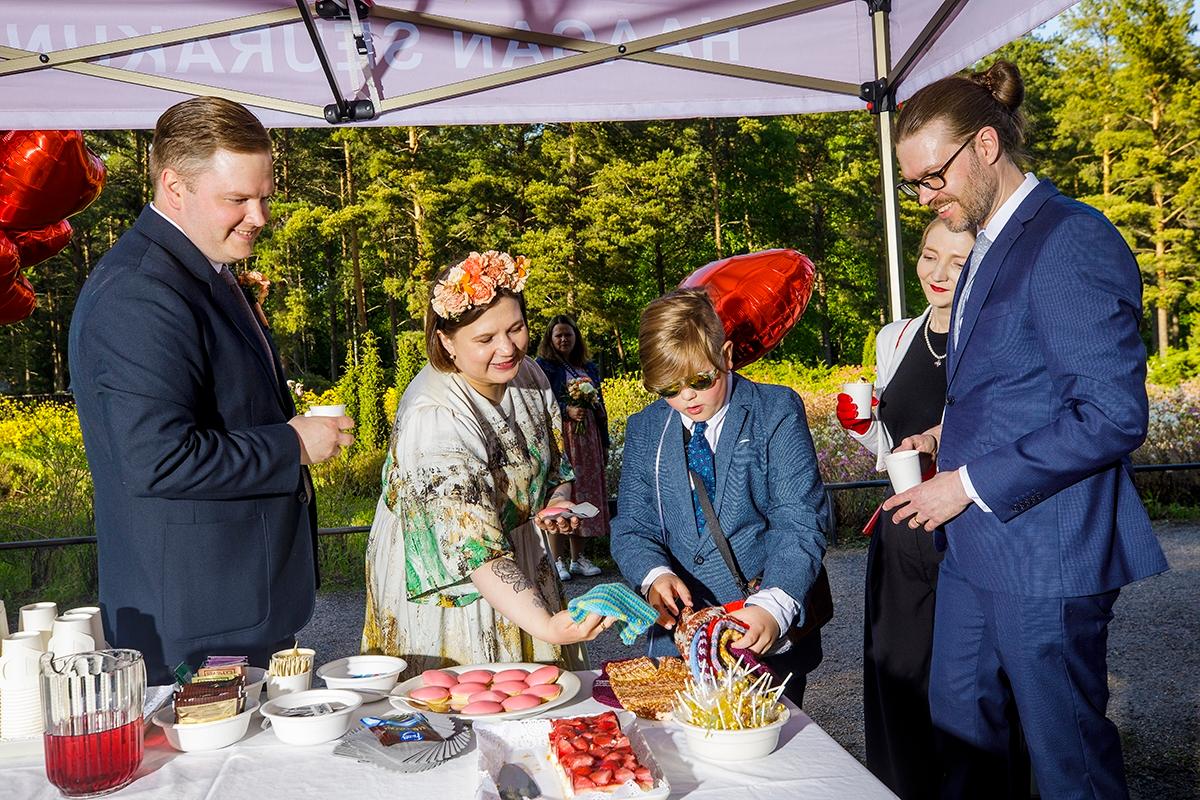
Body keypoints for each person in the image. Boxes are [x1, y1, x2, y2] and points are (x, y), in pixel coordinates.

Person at [883, 60, 1169, 800]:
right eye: (913, 182)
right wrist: (944, 438)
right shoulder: (983, 244)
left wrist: (967, 483)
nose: (924, 195)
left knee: (1067, 761)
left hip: (1048, 556)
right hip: (976, 547)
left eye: (931, 176)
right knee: (959, 723)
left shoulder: (1070, 238)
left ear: (984, 145)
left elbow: (1112, 414)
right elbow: (1014, 388)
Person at [68, 97, 354, 685]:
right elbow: (157, 459)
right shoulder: (140, 293)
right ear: (174, 187)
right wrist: (291, 445)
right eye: (237, 199)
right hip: (196, 620)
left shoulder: (199, 268)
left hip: (236, 602)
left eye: (265, 197)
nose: (260, 216)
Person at [361, 251, 614, 675]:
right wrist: (548, 626)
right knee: (474, 697)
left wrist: (557, 499)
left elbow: (555, 465)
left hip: (516, 558)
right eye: (485, 339)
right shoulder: (436, 416)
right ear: (446, 341)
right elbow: (472, 551)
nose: (507, 348)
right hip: (456, 578)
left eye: (516, 329)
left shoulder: (529, 376)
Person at [838, 218, 998, 799]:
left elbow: (997, 425)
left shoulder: (991, 333)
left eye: (957, 262)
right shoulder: (894, 337)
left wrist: (939, 436)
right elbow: (890, 448)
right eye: (930, 256)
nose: (938, 272)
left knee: (967, 687)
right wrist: (862, 427)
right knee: (897, 675)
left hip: (966, 533)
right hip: (901, 532)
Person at [610, 288, 828, 705]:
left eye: (700, 380)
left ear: (725, 356)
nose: (687, 397)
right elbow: (632, 526)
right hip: (678, 639)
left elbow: (799, 520)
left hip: (758, 626)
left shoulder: (774, 410)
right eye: (669, 389)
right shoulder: (645, 428)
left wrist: (775, 605)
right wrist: (655, 575)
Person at [536, 315, 610, 581]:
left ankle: (579, 557)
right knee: (559, 493)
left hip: (587, 438)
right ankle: (557, 559)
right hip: (563, 438)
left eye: (568, 334)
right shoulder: (544, 367)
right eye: (559, 335)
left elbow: (599, 400)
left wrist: (602, 431)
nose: (564, 339)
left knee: (585, 493)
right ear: (550, 339)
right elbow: (540, 404)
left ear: (576, 337)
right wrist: (566, 410)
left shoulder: (587, 367)